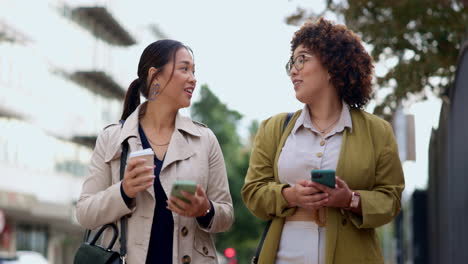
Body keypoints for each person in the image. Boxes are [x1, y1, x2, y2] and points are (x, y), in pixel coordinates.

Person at [242, 18, 405, 264]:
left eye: (302, 59)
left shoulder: (378, 132)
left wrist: (350, 199)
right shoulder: (273, 128)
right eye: (291, 63)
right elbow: (253, 193)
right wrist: (290, 195)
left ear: (331, 67)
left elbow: (391, 201)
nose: (293, 70)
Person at [76, 39, 234, 264]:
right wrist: (124, 190)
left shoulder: (205, 140)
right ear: (154, 76)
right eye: (184, 68)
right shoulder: (111, 138)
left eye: (193, 70)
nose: (193, 78)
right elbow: (84, 213)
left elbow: (226, 215)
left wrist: (205, 209)